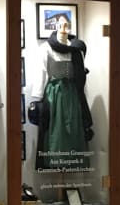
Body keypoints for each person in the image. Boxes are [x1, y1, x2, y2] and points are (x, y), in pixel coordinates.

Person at [30, 17, 93, 169]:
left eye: (67, 25)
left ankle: (72, 163)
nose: (64, 27)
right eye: (61, 25)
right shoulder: (46, 47)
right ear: (56, 27)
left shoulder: (77, 49)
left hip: (73, 95)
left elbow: (80, 75)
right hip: (55, 95)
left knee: (74, 129)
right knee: (56, 130)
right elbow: (41, 72)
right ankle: (56, 162)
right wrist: (37, 99)